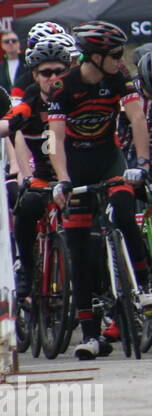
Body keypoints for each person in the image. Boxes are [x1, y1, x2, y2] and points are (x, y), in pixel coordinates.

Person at [47, 22, 152, 360]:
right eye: (113, 54)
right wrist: (62, 178)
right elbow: (56, 139)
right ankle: (91, 334)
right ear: (93, 56)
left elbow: (137, 119)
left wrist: (141, 161)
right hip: (77, 166)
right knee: (79, 250)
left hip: (110, 160)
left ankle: (145, 286)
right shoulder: (63, 87)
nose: (119, 59)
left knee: (125, 213)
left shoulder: (119, 77)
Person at [0, 39, 74, 300]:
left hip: (77, 176)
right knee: (27, 206)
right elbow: (10, 125)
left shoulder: (76, 97)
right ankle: (28, 270)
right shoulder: (29, 102)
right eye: (46, 73)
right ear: (35, 75)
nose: (53, 78)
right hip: (44, 179)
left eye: (59, 72)